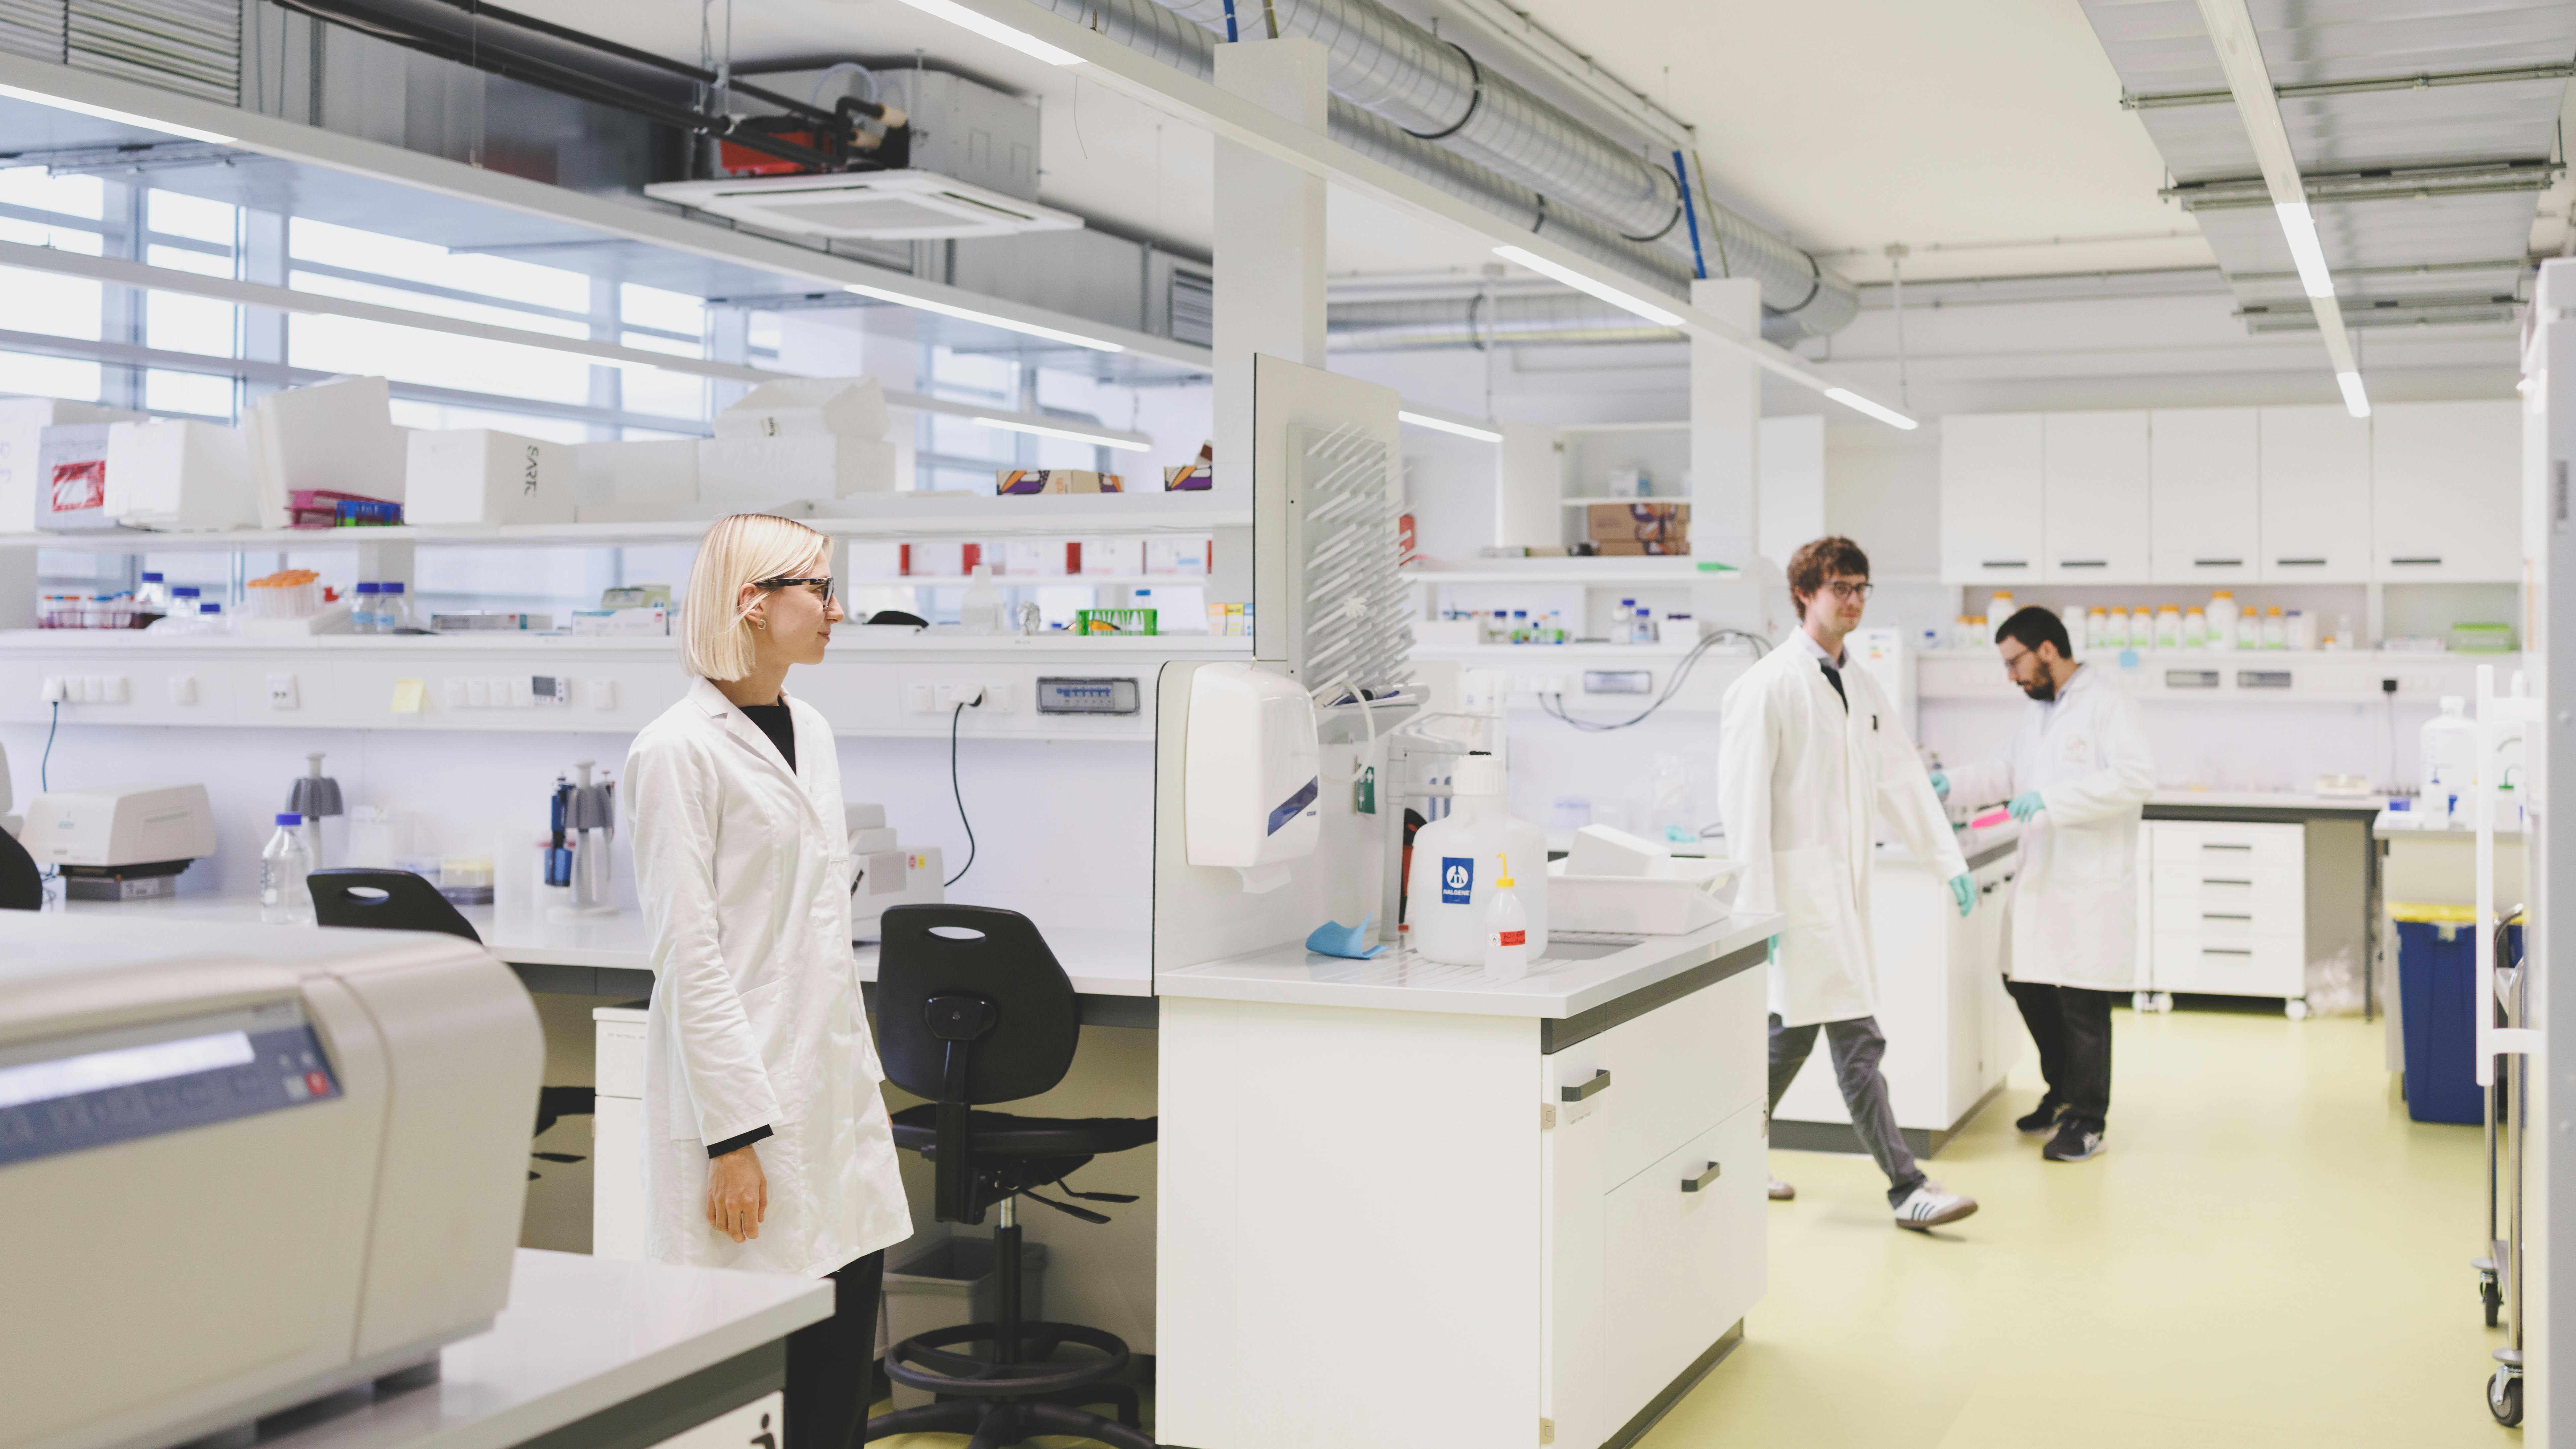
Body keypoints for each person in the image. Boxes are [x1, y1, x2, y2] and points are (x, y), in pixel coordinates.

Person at [625, 514, 912, 1449]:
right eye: (818, 589)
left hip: (828, 1101)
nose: (837, 609)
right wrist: (734, 1138)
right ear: (752, 602)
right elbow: (690, 954)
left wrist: (855, 1089)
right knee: (746, 1397)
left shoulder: (811, 729)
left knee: (837, 1391)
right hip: (742, 1111)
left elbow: (817, 925)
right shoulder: (676, 750)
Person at [1718, 535, 1982, 1230]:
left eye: (1862, 587)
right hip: (1795, 900)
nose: (1854, 600)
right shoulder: (1767, 685)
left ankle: (1725, 1155)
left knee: (1790, 1039)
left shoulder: (1859, 685)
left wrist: (1948, 861)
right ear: (1804, 592)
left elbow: (1900, 776)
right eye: (1840, 587)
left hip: (1839, 898)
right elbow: (1742, 805)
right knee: (1856, 1043)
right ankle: (1907, 1187)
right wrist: (1753, 911)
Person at [1932, 605, 2155, 1164]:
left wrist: (2052, 800)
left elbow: (2135, 779)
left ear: (2048, 650)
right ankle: (2061, 1093)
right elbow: (2002, 771)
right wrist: (1946, 784)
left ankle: (2088, 1119)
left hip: (2089, 880)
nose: (2011, 675)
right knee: (2024, 983)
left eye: (2015, 662)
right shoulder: (2039, 713)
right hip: (2043, 876)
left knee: (2082, 1000)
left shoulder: (2109, 704)